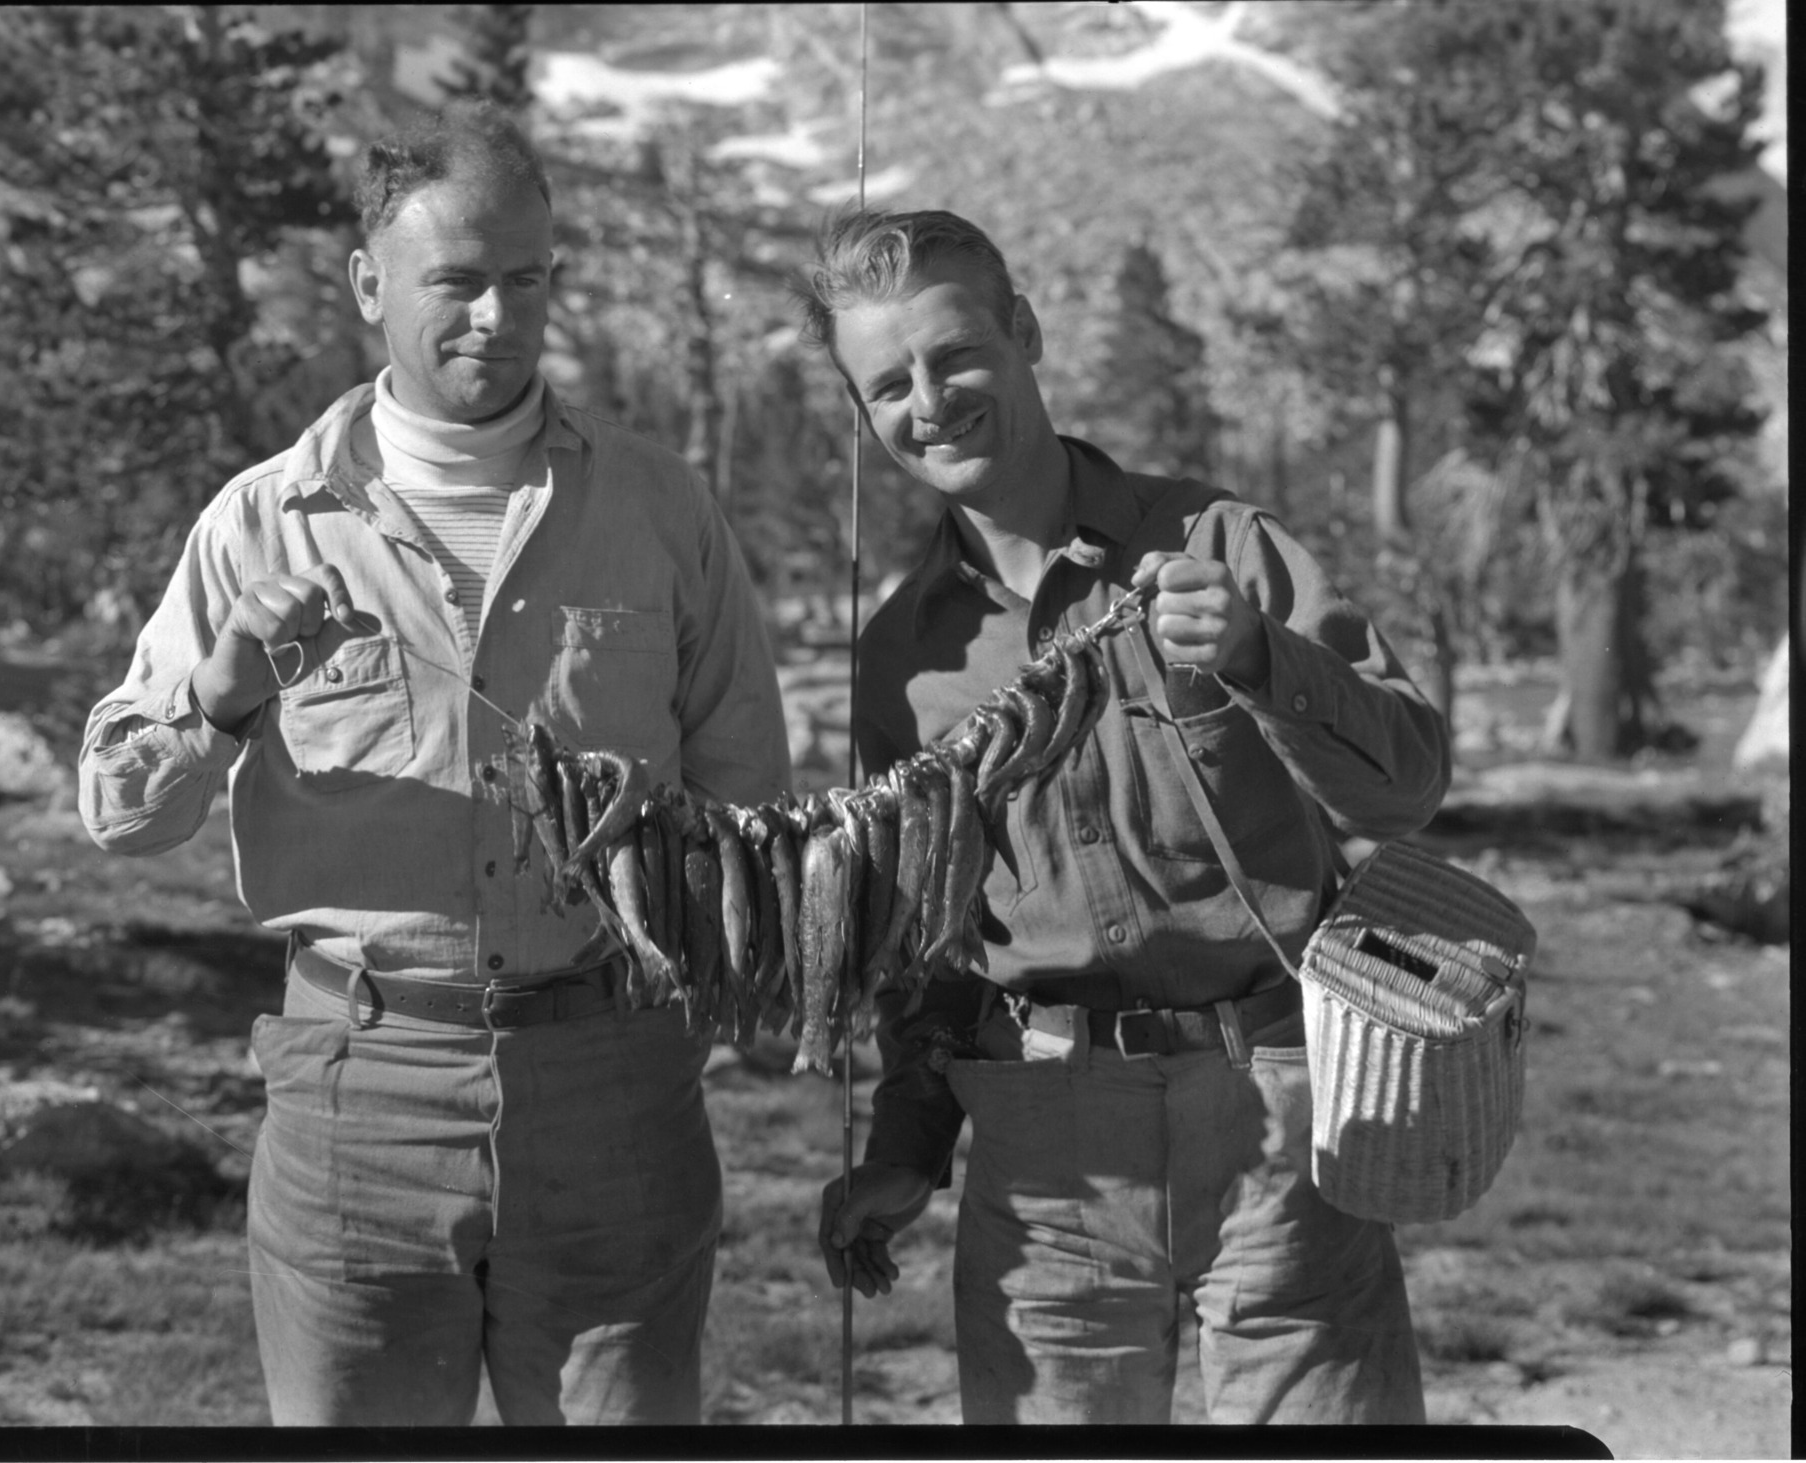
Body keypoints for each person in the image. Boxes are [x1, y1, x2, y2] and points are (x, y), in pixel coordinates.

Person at [79, 101, 789, 1427]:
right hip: (356, 1079)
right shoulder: (260, 518)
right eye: (455, 281)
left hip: (611, 1080)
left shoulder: (659, 508)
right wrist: (222, 694)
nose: (494, 317)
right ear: (367, 284)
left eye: (525, 280)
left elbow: (744, 800)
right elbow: (121, 808)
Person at [802, 209, 1448, 1425]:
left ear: (1025, 332)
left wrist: (1260, 655)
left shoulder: (1218, 543)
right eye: (887, 384)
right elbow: (924, 942)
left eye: (954, 356)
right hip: (1044, 1148)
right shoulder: (899, 657)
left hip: (1276, 1107)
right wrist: (907, 1143)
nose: (929, 402)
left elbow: (1406, 780)